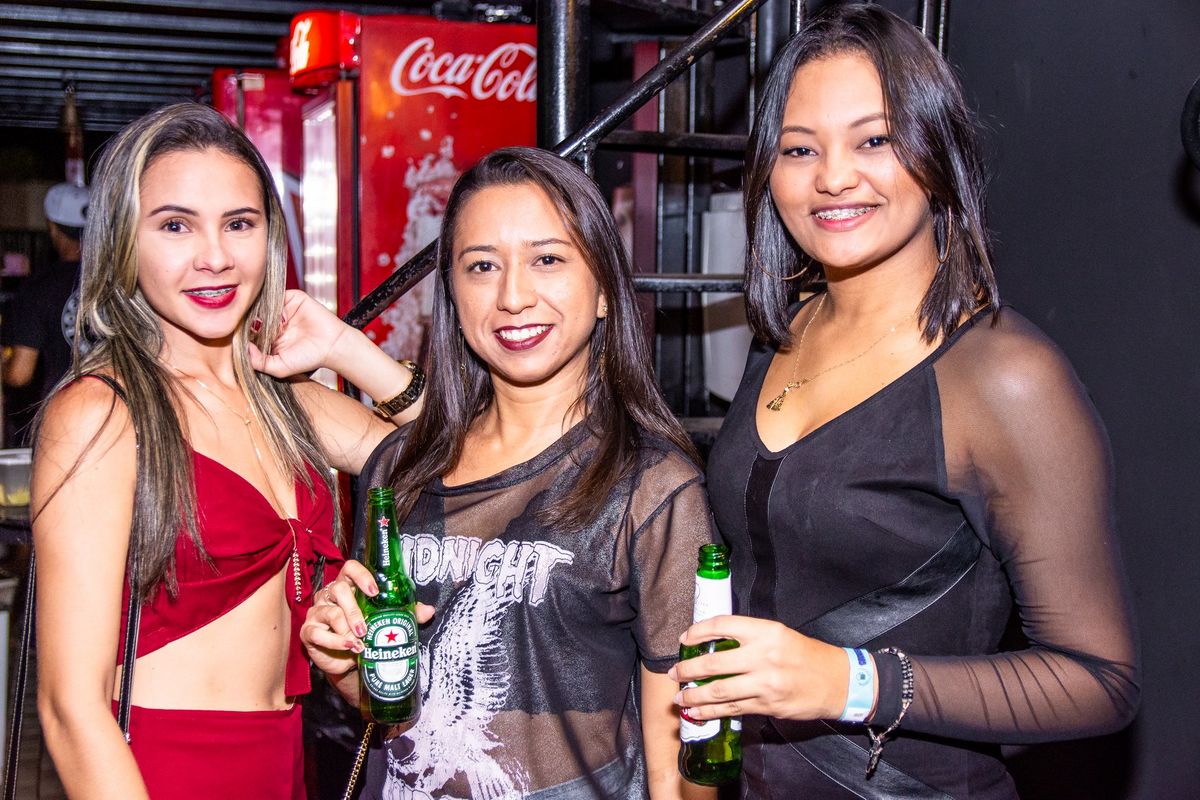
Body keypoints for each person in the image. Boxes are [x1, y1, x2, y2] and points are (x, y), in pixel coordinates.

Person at [669, 5, 1140, 799]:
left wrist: (850, 682)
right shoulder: (787, 327)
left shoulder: (1003, 375)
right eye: (799, 149)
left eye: (874, 140)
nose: (833, 177)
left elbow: (1100, 680)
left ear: (937, 149)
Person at [31, 102, 425, 800]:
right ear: (125, 239)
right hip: (162, 771)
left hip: (285, 766)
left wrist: (346, 349)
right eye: (176, 225)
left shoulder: (286, 402)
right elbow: (71, 707)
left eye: (239, 224)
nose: (215, 256)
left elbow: (474, 457)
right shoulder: (99, 413)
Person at [301, 147, 716, 800]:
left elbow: (681, 766)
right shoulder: (401, 469)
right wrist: (347, 664)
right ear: (455, 297)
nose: (513, 296)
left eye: (547, 259)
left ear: (605, 288)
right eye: (482, 266)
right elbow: (392, 713)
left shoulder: (654, 489)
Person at [2, 182, 89, 442]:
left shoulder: (39, 288)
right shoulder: (124, 280)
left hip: (63, 424)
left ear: (52, 227)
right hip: (125, 416)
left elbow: (19, 374)